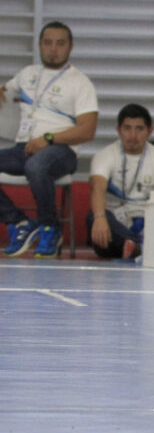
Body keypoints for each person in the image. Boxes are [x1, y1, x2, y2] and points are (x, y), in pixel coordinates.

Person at [0, 21, 98, 258]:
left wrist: (49, 139)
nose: (53, 48)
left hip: (61, 151)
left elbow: (87, 130)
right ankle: (20, 223)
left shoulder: (80, 82)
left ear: (70, 47)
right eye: (48, 43)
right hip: (24, 147)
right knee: (32, 161)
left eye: (60, 43)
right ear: (40, 45)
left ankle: (50, 227)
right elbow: (5, 92)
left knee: (37, 165)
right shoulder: (27, 74)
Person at [87, 103, 154, 260]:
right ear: (119, 130)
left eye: (139, 129)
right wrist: (100, 218)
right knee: (93, 216)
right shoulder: (104, 155)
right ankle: (141, 248)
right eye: (127, 128)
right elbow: (98, 189)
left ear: (150, 131)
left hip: (148, 223)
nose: (132, 135)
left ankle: (138, 247)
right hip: (115, 228)